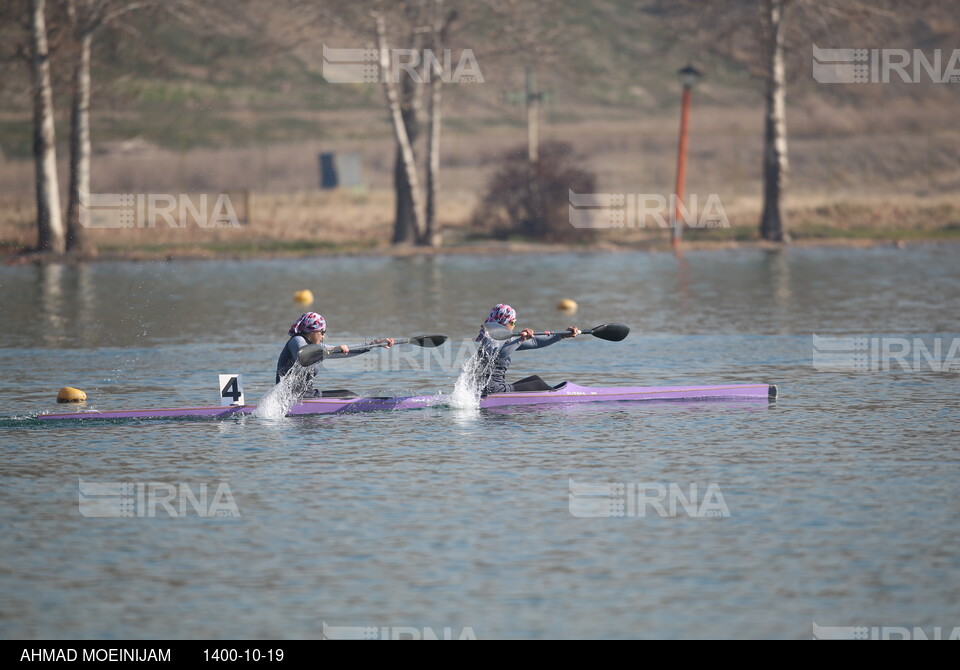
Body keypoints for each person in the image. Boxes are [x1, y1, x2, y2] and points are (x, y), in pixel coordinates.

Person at [276, 312, 392, 397]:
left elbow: (348, 350)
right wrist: (333, 350)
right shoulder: (297, 341)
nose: (323, 336)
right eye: (322, 332)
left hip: (307, 396)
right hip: (290, 397)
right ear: (313, 331)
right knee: (347, 396)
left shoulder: (316, 347)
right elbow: (305, 357)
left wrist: (375, 344)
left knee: (347, 394)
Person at [474, 303, 580, 395]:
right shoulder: (490, 339)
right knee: (537, 384)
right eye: (513, 322)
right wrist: (520, 340)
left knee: (534, 379)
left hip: (486, 388)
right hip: (493, 389)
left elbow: (535, 342)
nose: (514, 325)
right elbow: (500, 354)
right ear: (504, 321)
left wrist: (562, 335)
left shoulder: (494, 338)